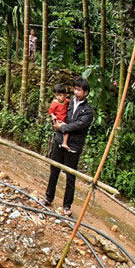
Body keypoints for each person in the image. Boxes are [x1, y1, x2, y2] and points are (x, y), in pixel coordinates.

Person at [44, 77, 94, 216]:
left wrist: (62, 127)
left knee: (70, 176)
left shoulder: (88, 111)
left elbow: (79, 125)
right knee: (54, 170)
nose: (76, 92)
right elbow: (58, 112)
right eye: (75, 89)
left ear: (86, 92)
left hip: (73, 145)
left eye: (79, 90)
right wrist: (56, 122)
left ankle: (67, 206)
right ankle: (48, 198)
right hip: (60, 140)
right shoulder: (69, 102)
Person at [48, 83, 71, 152]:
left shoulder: (67, 101)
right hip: (58, 120)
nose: (58, 97)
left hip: (63, 120)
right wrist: (53, 116)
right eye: (57, 95)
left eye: (60, 95)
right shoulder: (55, 103)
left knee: (66, 127)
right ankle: (64, 143)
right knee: (66, 129)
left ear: (65, 95)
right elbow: (50, 111)